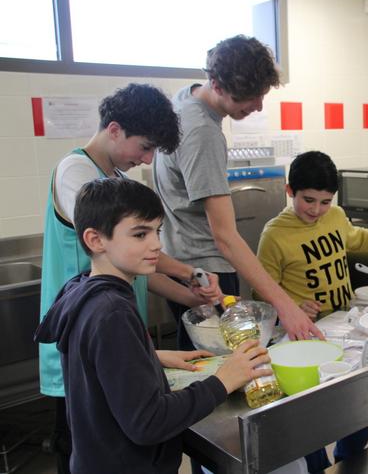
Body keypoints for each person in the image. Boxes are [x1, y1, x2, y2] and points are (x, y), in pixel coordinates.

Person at [38, 83, 222, 474]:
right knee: (87, 442)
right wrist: (186, 271)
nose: (147, 158)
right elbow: (122, 251)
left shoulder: (111, 176)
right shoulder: (77, 172)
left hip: (113, 344)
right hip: (90, 341)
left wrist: (190, 292)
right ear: (115, 129)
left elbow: (135, 266)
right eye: (145, 147)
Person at [35, 178, 271, 474]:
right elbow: (147, 422)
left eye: (157, 231)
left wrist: (149, 354)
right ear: (95, 240)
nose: (156, 244)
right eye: (140, 234)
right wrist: (223, 381)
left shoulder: (83, 290)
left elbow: (94, 360)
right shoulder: (112, 312)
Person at [153, 35, 323, 346]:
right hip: (209, 271)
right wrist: (285, 306)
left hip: (186, 261)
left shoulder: (184, 99)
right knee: (223, 369)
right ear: (216, 85)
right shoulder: (203, 132)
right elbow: (226, 238)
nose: (258, 107)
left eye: (262, 95)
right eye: (248, 98)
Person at [255, 150, 368, 472]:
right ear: (290, 191)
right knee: (313, 414)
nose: (317, 210)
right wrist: (291, 305)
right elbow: (261, 291)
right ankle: (318, 465)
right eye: (308, 200)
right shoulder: (274, 234)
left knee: (357, 401)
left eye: (325, 201)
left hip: (347, 323)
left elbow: (358, 238)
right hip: (307, 336)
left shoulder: (336, 216)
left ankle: (349, 459)